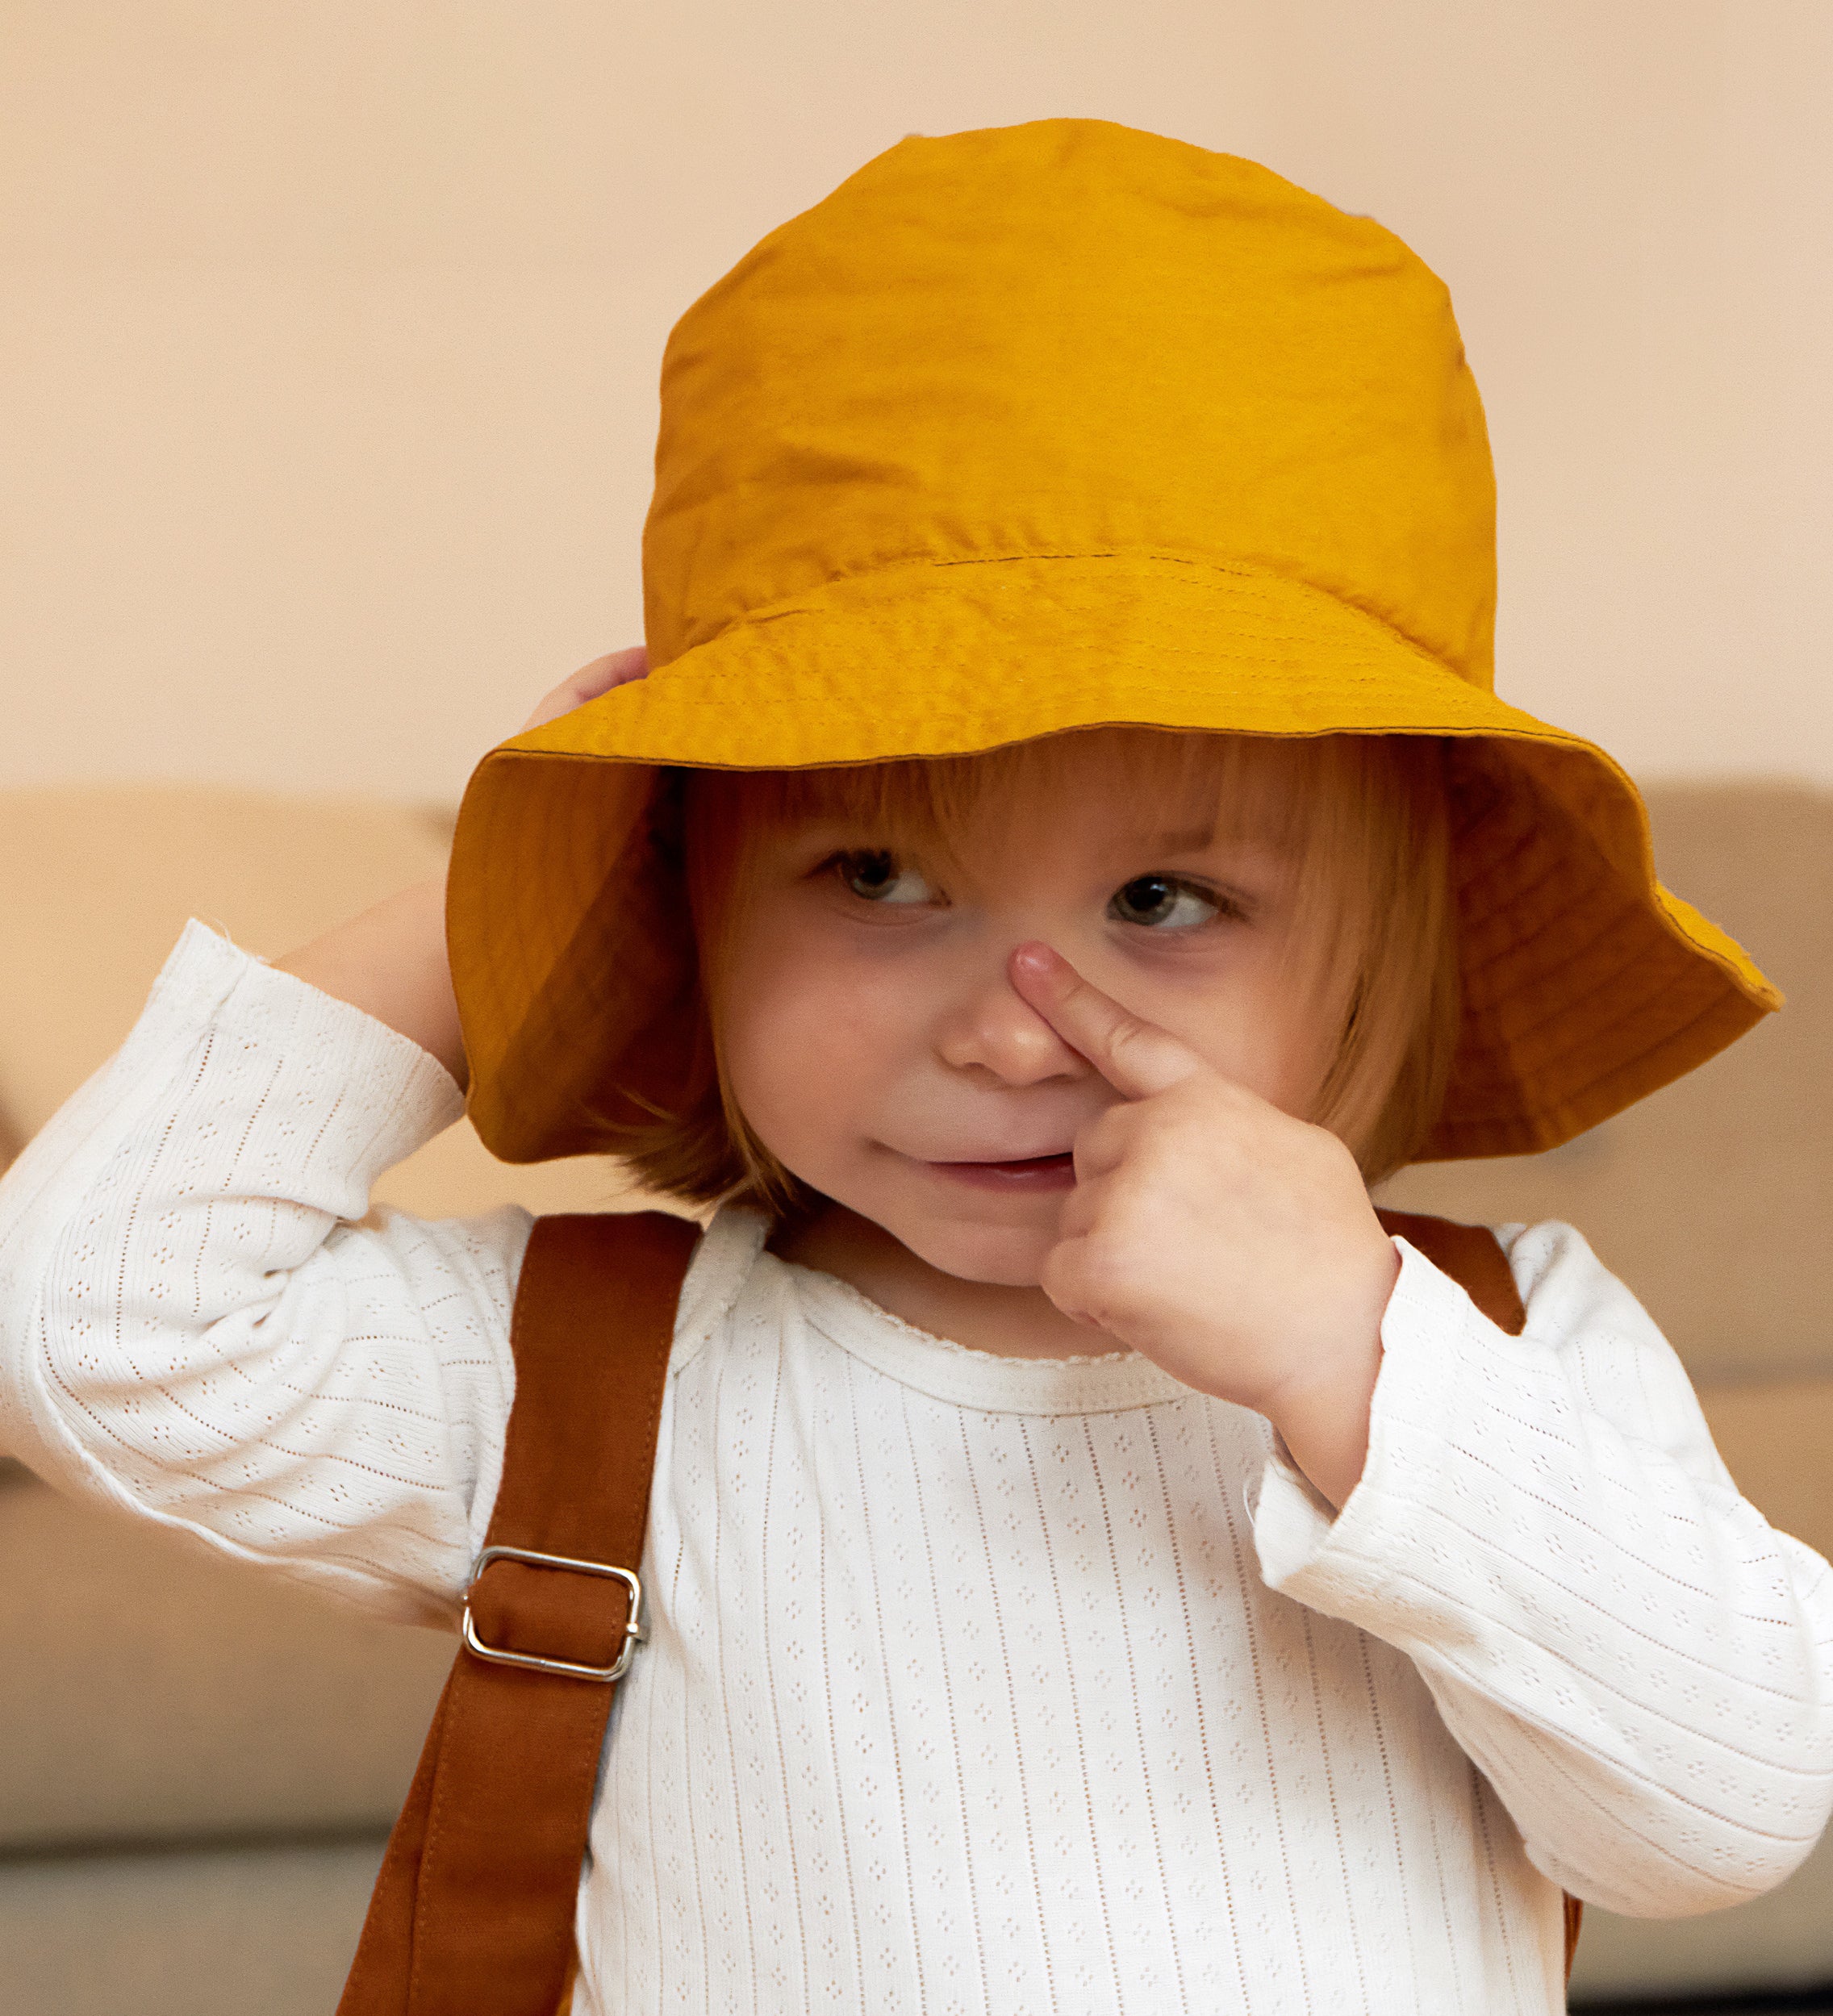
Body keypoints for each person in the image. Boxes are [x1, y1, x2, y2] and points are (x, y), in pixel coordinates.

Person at [2, 119, 1830, 2013]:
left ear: (1377, 952)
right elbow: (91, 1325)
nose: (1007, 1022)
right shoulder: (595, 1380)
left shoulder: (1489, 1343)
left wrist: (1348, 1363)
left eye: (1161, 896)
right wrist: (502, 894)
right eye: (874, 873)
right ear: (691, 899)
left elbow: (1718, 1808)